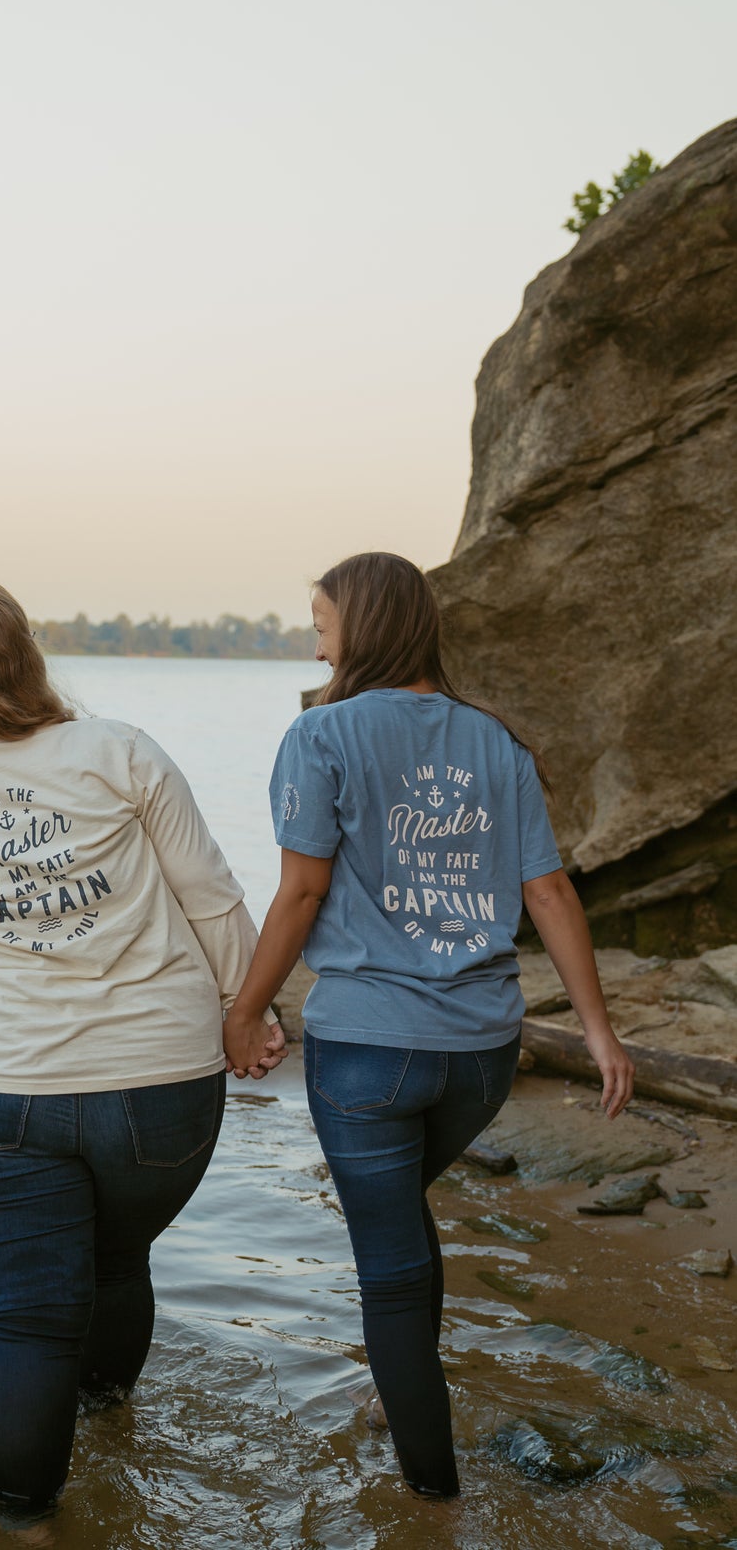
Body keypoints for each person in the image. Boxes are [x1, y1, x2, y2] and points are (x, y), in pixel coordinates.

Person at [0, 580, 283, 1514]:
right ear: (30, 659)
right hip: (163, 1089)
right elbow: (211, 897)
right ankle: (115, 1440)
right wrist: (250, 1012)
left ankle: (26, 1532)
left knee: (27, 1321)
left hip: (0, 1099)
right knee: (116, 1264)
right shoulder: (119, 751)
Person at [221, 552, 635, 1503]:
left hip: (368, 1053)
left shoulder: (318, 734)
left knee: (390, 1270)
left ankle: (430, 1499)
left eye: (321, 624)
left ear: (359, 628)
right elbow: (547, 891)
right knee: (401, 1224)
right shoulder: (496, 741)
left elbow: (301, 889)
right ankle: (392, 1391)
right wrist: (598, 1033)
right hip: (484, 1057)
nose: (314, 640)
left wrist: (245, 1011)